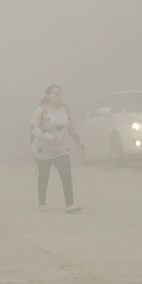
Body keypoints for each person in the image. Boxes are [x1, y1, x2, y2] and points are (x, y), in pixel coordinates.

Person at [30, 84, 83, 213]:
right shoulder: (41, 110)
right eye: (54, 93)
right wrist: (48, 136)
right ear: (48, 95)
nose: (57, 95)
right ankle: (42, 203)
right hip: (42, 149)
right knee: (44, 176)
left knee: (66, 174)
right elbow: (34, 128)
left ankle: (69, 204)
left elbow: (71, 126)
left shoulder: (65, 109)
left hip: (61, 149)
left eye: (59, 92)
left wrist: (78, 141)